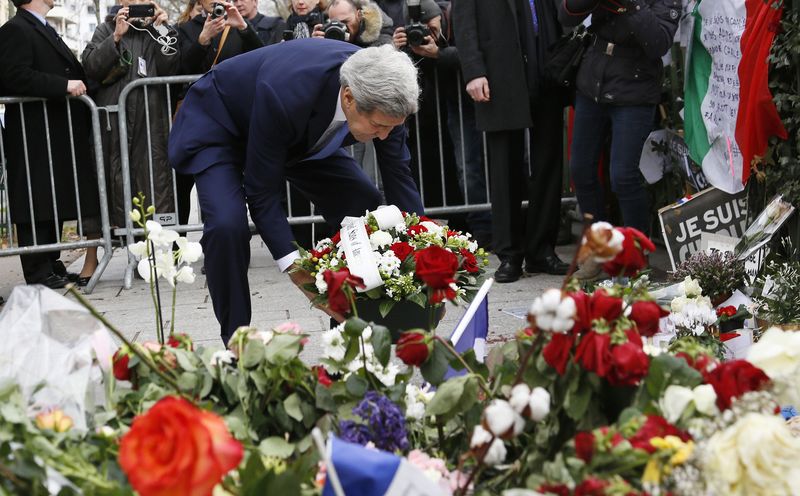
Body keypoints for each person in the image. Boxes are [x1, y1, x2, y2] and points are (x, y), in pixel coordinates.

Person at [168, 40, 424, 344]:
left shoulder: (388, 97)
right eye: (378, 126)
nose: (383, 136)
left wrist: (423, 253)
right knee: (227, 225)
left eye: (391, 128)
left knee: (360, 199)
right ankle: (236, 342)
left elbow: (399, 175)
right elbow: (262, 193)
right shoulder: (287, 91)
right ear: (349, 98)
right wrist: (295, 267)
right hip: (221, 124)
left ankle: (345, 331)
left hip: (291, 135)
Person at [454, 0, 570, 282]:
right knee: (505, 166)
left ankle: (542, 251)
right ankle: (509, 255)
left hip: (547, 69)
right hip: (499, 73)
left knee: (548, 164)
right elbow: (464, 21)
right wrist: (473, 70)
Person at [0, 0, 102, 288]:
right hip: (34, 133)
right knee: (36, 200)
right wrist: (63, 86)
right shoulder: (16, 29)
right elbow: (12, 75)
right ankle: (37, 270)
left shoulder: (41, 27)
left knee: (51, 199)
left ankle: (51, 263)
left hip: (54, 132)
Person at [559, 0, 680, 235]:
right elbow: (566, 16)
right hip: (592, 82)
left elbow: (659, 43)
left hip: (635, 89)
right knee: (581, 170)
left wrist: (631, 4)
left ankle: (636, 258)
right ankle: (601, 249)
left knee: (623, 177)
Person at [82, 0, 179, 233]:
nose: (137, 4)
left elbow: (171, 66)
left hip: (151, 124)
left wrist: (161, 28)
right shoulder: (105, 29)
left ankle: (157, 256)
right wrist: (115, 37)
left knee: (156, 186)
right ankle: (131, 254)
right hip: (115, 126)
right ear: (120, 2)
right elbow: (91, 68)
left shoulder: (161, 29)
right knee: (118, 186)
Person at [177, 0, 264, 75]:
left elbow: (261, 59)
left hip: (235, 90)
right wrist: (202, 41)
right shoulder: (186, 28)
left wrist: (244, 28)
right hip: (203, 92)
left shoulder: (238, 23)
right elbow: (185, 69)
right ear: (200, 1)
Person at [311, 0, 392, 47]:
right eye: (335, 23)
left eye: (345, 22)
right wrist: (318, 46)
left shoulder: (382, 37)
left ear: (359, 15)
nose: (340, 27)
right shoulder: (329, 33)